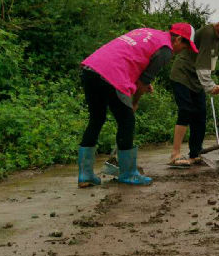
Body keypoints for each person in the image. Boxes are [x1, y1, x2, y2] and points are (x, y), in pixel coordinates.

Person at [78, 23, 198, 187]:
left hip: (91, 69)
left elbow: (131, 58)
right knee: (126, 121)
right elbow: (142, 82)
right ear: (177, 39)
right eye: (184, 47)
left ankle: (85, 175)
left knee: (96, 119)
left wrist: (141, 83)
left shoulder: (147, 32)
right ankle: (128, 173)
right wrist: (134, 102)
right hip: (112, 74)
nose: (180, 52)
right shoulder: (166, 50)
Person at [167, 3, 219, 167]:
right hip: (183, 74)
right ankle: (175, 154)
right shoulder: (208, 33)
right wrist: (210, 86)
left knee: (200, 115)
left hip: (197, 79)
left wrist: (210, 84)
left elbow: (209, 63)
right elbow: (201, 65)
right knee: (186, 110)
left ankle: (195, 154)